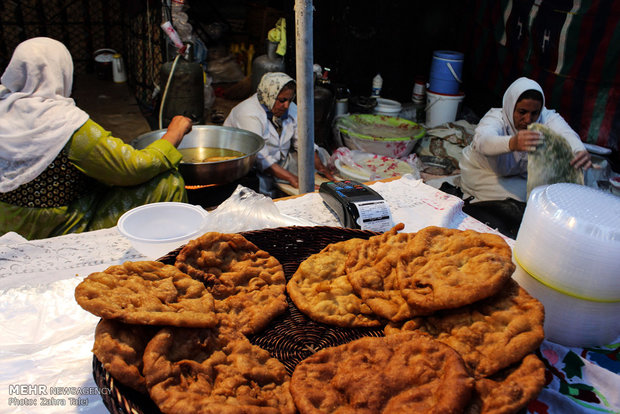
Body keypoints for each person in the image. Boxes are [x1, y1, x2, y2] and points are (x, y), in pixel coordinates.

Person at [0, 37, 193, 240]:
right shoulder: (63, 123)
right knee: (167, 182)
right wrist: (174, 132)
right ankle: (173, 250)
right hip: (58, 229)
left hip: (9, 226)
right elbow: (133, 168)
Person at [459, 77, 591, 202]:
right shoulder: (495, 119)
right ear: (511, 107)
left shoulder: (546, 117)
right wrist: (512, 143)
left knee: (574, 183)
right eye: (522, 112)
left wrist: (578, 150)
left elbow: (566, 133)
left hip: (521, 175)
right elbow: (483, 142)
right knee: (529, 199)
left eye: (534, 113)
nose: (528, 120)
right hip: (485, 174)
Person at [224, 72, 335, 197]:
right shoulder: (248, 114)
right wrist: (293, 179)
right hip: (248, 169)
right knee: (258, 196)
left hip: (279, 161)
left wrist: (320, 167)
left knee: (320, 155)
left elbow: (304, 142)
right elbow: (261, 159)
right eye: (282, 100)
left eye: (290, 99)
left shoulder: (290, 108)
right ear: (269, 96)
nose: (287, 105)